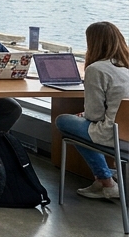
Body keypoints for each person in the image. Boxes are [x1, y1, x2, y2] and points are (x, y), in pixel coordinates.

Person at [55, 21, 129, 199]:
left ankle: (106, 181)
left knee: (63, 121)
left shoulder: (97, 69)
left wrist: (84, 115)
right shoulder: (126, 66)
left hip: (116, 136)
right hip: (127, 132)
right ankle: (103, 178)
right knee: (86, 125)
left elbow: (94, 115)